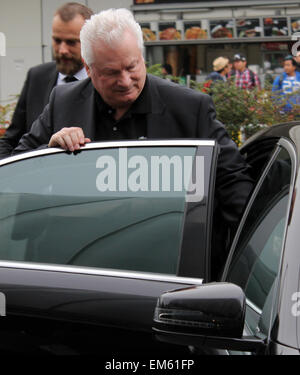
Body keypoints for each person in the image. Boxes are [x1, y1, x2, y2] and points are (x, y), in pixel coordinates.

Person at [12, 8, 253, 277]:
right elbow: (16, 167)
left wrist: (250, 262)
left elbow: (234, 186)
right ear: (89, 69)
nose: (125, 81)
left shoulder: (189, 109)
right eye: (111, 72)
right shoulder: (63, 103)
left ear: (142, 57)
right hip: (82, 270)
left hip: (170, 273)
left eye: (132, 67)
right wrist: (51, 151)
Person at [0, 2, 94, 159]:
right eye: (57, 41)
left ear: (90, 43)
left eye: (71, 42)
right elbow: (11, 141)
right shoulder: (38, 77)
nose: (62, 50)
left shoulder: (104, 82)